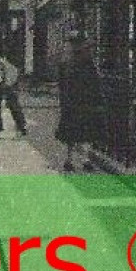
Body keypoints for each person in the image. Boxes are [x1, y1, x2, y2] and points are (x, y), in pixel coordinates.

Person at [55, 30, 107, 171]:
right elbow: (94, 83)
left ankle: (69, 160)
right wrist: (98, 100)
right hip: (86, 101)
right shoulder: (87, 61)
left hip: (70, 103)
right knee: (88, 132)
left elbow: (61, 84)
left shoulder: (65, 61)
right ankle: (85, 160)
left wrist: (64, 102)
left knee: (71, 134)